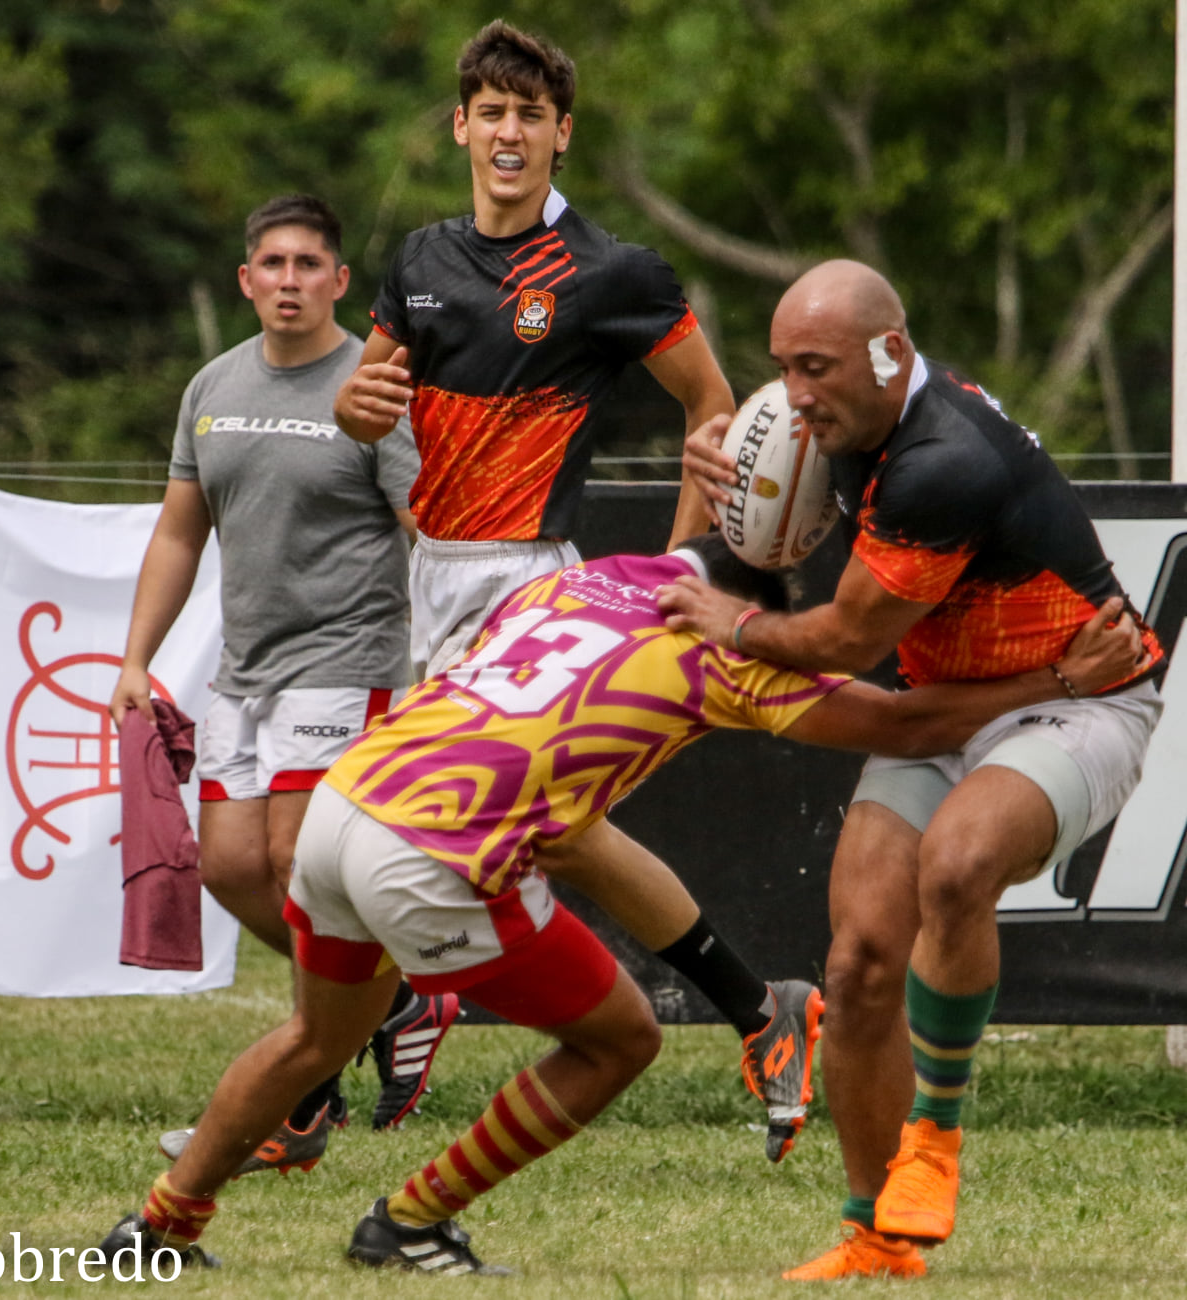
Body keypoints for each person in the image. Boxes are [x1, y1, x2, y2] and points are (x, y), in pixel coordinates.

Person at [96, 532, 1145, 1273]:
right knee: (617, 1041)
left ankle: (159, 1223)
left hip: (345, 803)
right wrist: (1050, 679)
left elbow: (693, 560)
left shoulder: (593, 579)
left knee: (312, 1039)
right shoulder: (735, 649)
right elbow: (910, 728)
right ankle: (408, 1221)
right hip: (427, 849)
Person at [331, 21, 825, 1160]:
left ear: (564, 135)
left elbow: (715, 411)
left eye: (530, 115)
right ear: (460, 126)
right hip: (432, 580)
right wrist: (358, 412)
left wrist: (675, 569)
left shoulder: (611, 274)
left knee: (397, 817)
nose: (509, 133)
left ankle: (371, 1039)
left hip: (527, 589)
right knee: (564, 835)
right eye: (490, 112)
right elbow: (370, 401)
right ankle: (764, 1010)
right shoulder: (416, 262)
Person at [662, 260, 1165, 1280]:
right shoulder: (840, 421)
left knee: (956, 866)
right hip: (948, 709)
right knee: (853, 971)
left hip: (1082, 695)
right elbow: (755, 568)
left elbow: (841, 641)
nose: (795, 395)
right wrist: (713, 486)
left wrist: (742, 622)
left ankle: (933, 1141)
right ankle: (875, 1236)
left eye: (816, 368)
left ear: (889, 354)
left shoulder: (944, 460)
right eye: (781, 370)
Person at [109, 194, 444, 1171]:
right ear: (246, 280)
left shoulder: (375, 385)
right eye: (273, 263)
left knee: (302, 861)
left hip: (349, 663)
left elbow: (421, 524)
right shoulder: (211, 384)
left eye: (309, 264)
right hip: (243, 670)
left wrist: (452, 650)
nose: (290, 280)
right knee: (230, 871)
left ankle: (304, 1093)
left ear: (340, 282)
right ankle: (389, 1005)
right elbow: (181, 530)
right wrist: (134, 658)